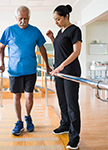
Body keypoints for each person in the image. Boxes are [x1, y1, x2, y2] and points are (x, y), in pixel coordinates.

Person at [0, 5, 52, 136]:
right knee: (16, 96)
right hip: (14, 71)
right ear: (16, 17)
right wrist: (2, 64)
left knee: (29, 95)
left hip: (30, 70)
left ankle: (28, 117)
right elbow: (1, 48)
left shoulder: (35, 31)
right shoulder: (9, 30)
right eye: (21, 18)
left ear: (29, 18)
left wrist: (47, 65)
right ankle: (19, 122)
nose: (23, 21)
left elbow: (42, 49)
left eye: (26, 18)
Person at [46, 4, 82, 150]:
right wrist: (52, 38)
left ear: (66, 16)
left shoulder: (75, 30)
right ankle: (65, 125)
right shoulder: (60, 31)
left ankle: (74, 137)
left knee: (72, 103)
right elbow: (60, 48)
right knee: (62, 100)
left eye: (58, 19)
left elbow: (76, 52)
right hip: (59, 72)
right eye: (54, 19)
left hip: (70, 71)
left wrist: (62, 66)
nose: (56, 22)